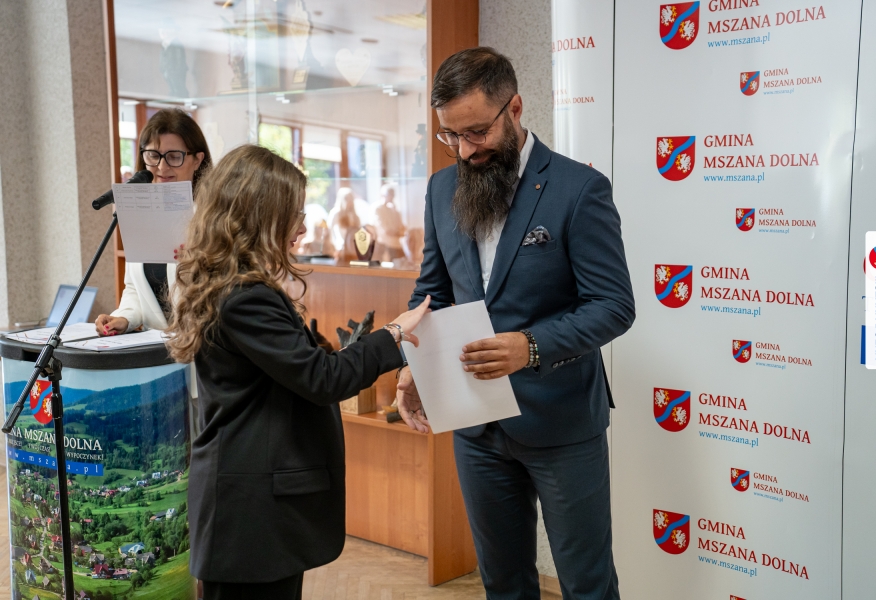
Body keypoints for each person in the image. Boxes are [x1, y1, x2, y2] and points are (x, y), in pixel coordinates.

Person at [398, 47, 635, 599]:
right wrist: (415, 364)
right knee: (503, 583)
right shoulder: (441, 188)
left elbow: (613, 305)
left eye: (477, 132)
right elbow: (431, 294)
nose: (464, 150)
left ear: (516, 108)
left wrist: (529, 347)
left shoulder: (579, 189)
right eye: (451, 136)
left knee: (587, 584)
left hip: (561, 422)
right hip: (476, 426)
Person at [165, 144, 430, 599]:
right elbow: (323, 379)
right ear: (258, 217)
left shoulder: (232, 285)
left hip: (251, 503)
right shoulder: (246, 296)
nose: (304, 228)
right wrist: (393, 335)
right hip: (250, 510)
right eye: (293, 215)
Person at [94, 108, 212, 336]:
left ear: (197, 160)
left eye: (174, 157)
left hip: (202, 345)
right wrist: (124, 317)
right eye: (153, 156)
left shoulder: (214, 218)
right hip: (156, 348)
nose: (162, 167)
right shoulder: (141, 216)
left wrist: (200, 266)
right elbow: (135, 289)